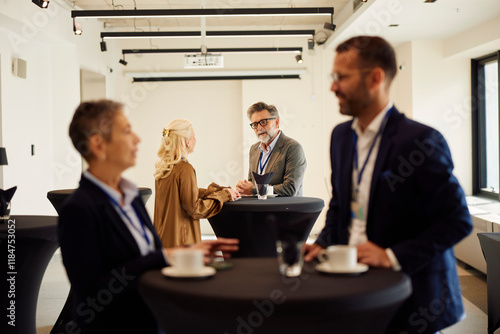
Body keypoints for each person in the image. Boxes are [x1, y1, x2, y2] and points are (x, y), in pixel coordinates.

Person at [304, 36, 472, 334]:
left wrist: (391, 256)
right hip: (352, 278)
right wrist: (324, 241)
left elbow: (457, 221)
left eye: (341, 77)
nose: (333, 86)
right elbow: (342, 202)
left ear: (375, 78)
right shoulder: (341, 137)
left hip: (410, 292)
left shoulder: (420, 141)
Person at [58, 100, 238, 334]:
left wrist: (179, 256)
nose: (137, 139)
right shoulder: (78, 210)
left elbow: (145, 257)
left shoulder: (132, 197)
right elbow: (93, 293)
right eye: (126, 131)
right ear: (97, 144)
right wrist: (169, 256)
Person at [154, 119, 240, 248]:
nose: (196, 140)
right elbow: (195, 209)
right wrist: (224, 196)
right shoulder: (185, 168)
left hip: (163, 240)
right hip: (182, 243)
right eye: (194, 136)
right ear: (187, 142)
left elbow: (180, 196)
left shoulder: (164, 168)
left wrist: (215, 191)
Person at [236, 101, 306, 197]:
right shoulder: (254, 149)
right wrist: (244, 188)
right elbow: (252, 182)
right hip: (258, 209)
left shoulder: (292, 148)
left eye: (263, 122)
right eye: (255, 124)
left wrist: (253, 190)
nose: (259, 128)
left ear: (276, 122)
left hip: (284, 210)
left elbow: (290, 189)